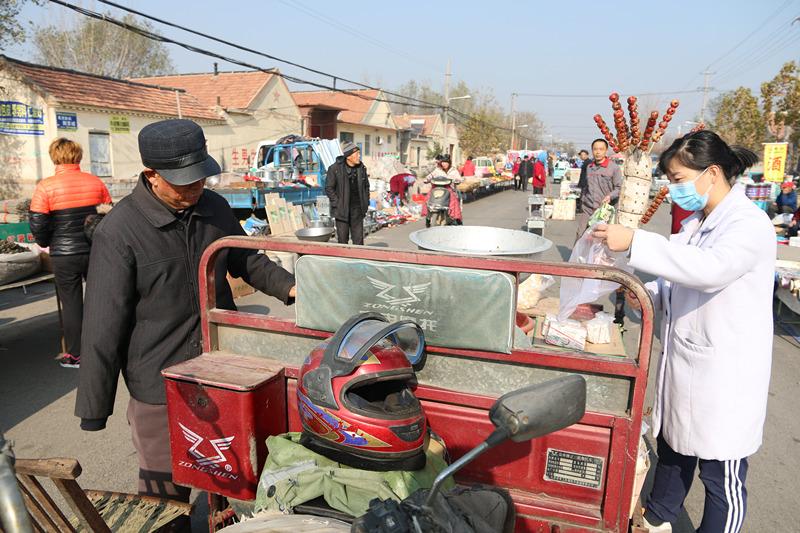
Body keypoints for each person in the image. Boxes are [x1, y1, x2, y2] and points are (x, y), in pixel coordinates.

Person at [75, 119, 296, 519]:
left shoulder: (214, 207)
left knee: (236, 470)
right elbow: (102, 327)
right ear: (151, 176)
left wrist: (294, 288)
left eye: (200, 178)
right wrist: (94, 408)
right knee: (163, 491)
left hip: (222, 366)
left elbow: (247, 259)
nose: (195, 188)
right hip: (160, 381)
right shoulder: (120, 231)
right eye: (183, 182)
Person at [592, 130, 773, 533]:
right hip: (688, 360)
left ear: (711, 173)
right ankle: (657, 518)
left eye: (678, 180)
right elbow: (675, 283)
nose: (673, 189)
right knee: (674, 447)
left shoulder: (748, 224)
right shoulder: (695, 224)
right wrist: (644, 295)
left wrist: (636, 240)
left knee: (721, 474)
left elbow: (709, 271)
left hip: (727, 373)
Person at [28, 138, 112, 369]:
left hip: (64, 255)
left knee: (72, 304)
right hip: (95, 250)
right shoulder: (96, 183)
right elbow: (108, 216)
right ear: (79, 156)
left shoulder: (45, 187)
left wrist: (47, 242)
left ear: (54, 157)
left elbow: (37, 223)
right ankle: (106, 347)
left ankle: (76, 355)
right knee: (101, 300)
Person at [576, 139, 622, 242]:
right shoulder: (589, 167)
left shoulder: (614, 168)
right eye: (595, 149)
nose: (598, 152)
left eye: (601, 149)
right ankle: (576, 257)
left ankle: (596, 258)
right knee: (581, 235)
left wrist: (609, 196)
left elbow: (619, 188)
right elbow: (586, 187)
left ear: (606, 151)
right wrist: (582, 201)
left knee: (599, 239)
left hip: (603, 211)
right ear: (592, 151)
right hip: (588, 209)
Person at [326, 142, 370, 245]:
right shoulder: (335, 169)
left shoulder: (361, 168)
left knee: (359, 241)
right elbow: (329, 188)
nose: (359, 156)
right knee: (342, 241)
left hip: (357, 210)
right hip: (342, 211)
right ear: (349, 156)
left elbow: (366, 187)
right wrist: (337, 203)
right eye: (357, 154)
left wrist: (366, 202)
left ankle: (358, 260)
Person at [425, 154, 463, 224]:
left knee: (455, 203)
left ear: (449, 163)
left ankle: (458, 220)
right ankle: (428, 216)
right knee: (428, 199)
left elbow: (459, 179)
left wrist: (457, 180)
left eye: (446, 162)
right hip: (437, 190)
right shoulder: (437, 170)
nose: (444, 164)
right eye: (443, 162)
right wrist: (427, 179)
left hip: (450, 190)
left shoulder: (454, 171)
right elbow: (430, 176)